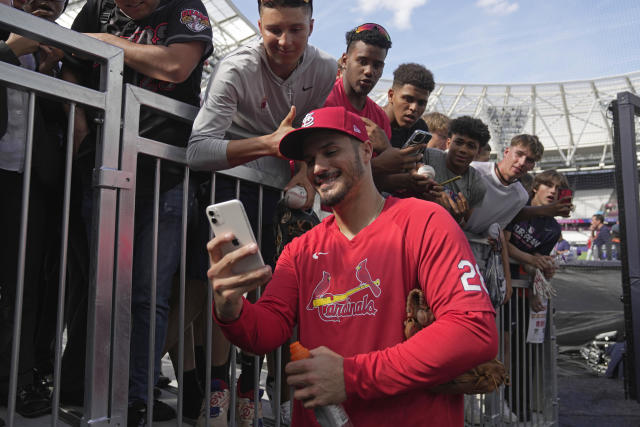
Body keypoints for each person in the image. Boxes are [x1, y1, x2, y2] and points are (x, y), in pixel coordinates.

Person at [207, 106, 498, 426]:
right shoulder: (300, 249)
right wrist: (230, 308)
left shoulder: (426, 222)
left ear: (366, 151)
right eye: (309, 159)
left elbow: (473, 330)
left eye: (331, 151)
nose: (319, 167)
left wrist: (352, 376)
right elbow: (265, 331)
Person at [63, 0, 213, 423]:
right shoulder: (94, 10)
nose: (134, 6)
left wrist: (109, 43)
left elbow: (175, 66)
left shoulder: (186, 8)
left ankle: (137, 395)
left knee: (149, 293)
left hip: (163, 173)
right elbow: (70, 60)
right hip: (103, 164)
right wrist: (77, 122)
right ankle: (94, 389)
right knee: (101, 289)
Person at [187, 1, 336, 425]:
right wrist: (269, 144)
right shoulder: (235, 68)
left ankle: (251, 390)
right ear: (258, 25)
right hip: (228, 188)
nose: (285, 41)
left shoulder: (324, 69)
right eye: (274, 30)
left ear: (312, 25)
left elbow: (314, 134)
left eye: (296, 29)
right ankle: (217, 392)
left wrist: (305, 172)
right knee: (227, 289)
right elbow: (198, 150)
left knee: (273, 296)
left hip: (281, 199)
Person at [0, 0, 68, 418]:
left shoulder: (52, 49)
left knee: (25, 285)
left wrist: (48, 75)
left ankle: (17, 380)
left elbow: (56, 120)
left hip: (31, 179)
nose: (40, 5)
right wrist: (10, 48)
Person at [323, 22, 392, 153]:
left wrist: (387, 149)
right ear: (344, 61)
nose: (369, 71)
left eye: (377, 65)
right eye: (362, 62)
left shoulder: (381, 119)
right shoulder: (321, 102)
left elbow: (387, 167)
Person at [376, 63, 438, 197]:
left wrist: (420, 177)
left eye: (422, 103)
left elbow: (413, 167)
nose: (414, 108)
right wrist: (406, 181)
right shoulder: (371, 122)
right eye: (408, 99)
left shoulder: (420, 128)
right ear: (391, 95)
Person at [422, 115, 490, 225]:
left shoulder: (477, 185)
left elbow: (467, 224)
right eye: (458, 142)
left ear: (478, 151)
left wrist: (458, 218)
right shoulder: (427, 156)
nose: (463, 150)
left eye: (471, 146)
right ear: (448, 143)